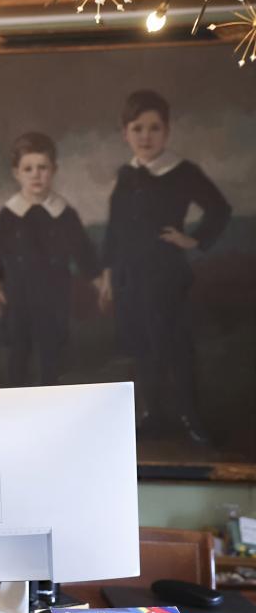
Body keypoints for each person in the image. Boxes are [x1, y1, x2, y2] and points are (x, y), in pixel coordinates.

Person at [97, 89, 231, 442]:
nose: (146, 136)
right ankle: (151, 414)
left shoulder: (183, 171)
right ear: (126, 133)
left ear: (167, 131)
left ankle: (190, 416)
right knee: (143, 349)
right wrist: (109, 274)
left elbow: (220, 209)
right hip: (130, 278)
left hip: (167, 275)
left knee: (175, 346)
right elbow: (114, 227)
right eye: (137, 128)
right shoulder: (127, 175)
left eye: (154, 128)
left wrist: (194, 240)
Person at [0, 131, 101, 386]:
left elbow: (83, 250)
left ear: (54, 170)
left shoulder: (64, 213)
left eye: (42, 167)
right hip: (18, 296)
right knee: (18, 357)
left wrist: (99, 282)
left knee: (52, 358)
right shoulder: (9, 214)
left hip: (53, 297)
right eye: (28, 169)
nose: (36, 174)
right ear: (17, 173)